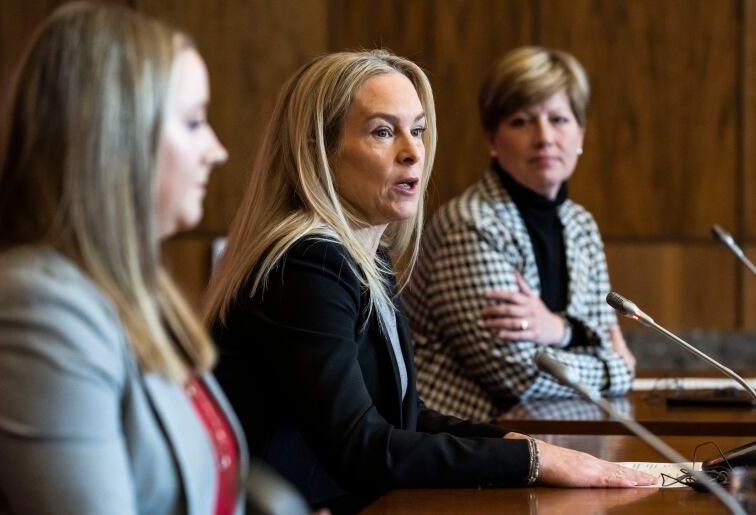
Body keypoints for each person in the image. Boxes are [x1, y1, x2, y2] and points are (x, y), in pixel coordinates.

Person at [205, 49, 654, 513]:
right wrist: (532, 458)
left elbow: (407, 418)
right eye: (384, 131)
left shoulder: (366, 258)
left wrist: (521, 445)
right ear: (320, 149)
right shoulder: (308, 264)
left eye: (417, 130)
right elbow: (360, 447)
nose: (413, 150)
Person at [0, 3, 244, 514]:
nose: (217, 149)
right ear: (116, 136)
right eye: (193, 122)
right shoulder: (31, 307)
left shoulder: (135, 288)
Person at [403, 46, 637, 422]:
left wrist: (560, 330)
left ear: (580, 133)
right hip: (461, 444)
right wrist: (617, 370)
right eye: (521, 121)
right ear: (492, 139)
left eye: (559, 119)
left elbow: (600, 331)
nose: (544, 137)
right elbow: (519, 374)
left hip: (557, 429)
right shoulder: (471, 224)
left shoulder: (581, 225)